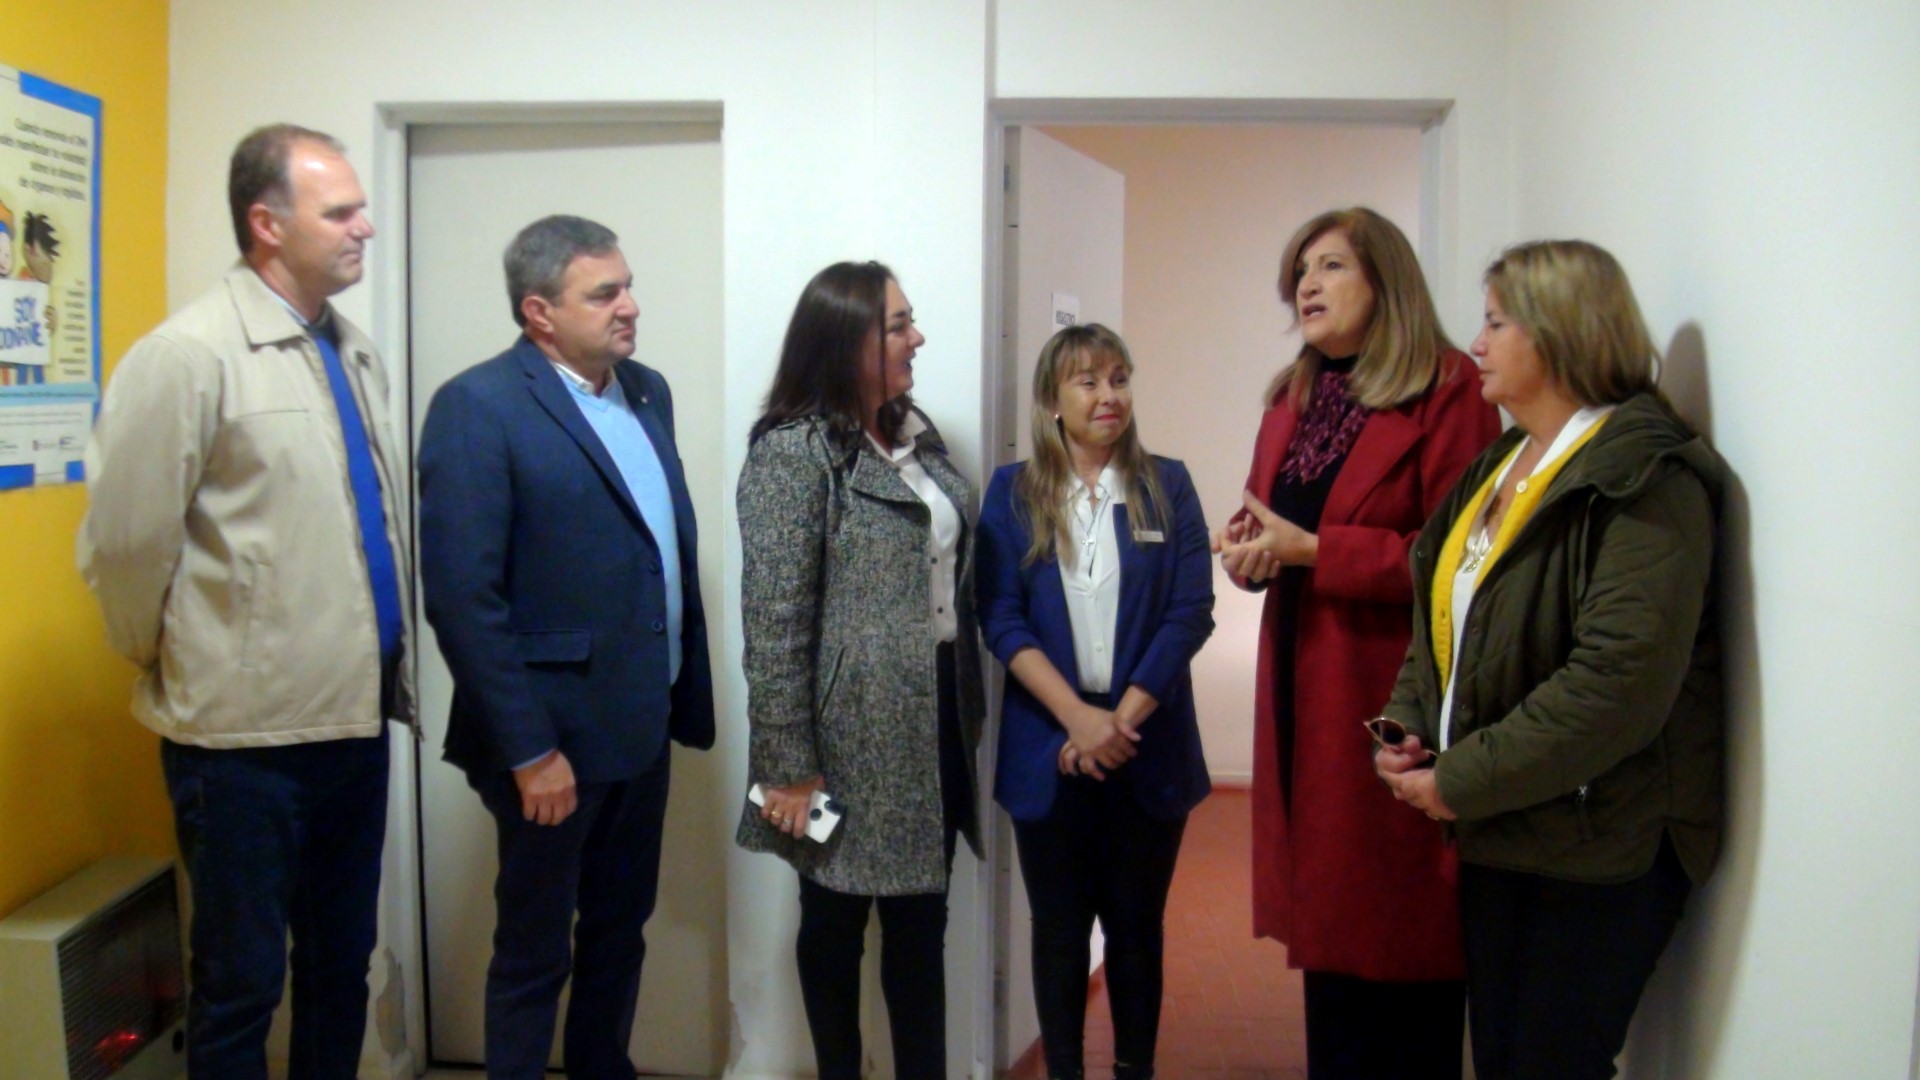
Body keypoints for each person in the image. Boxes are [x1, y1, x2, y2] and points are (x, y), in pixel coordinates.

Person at [77, 124, 409, 1080]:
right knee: (239, 986)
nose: (364, 227)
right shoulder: (188, 355)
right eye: (339, 212)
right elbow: (124, 548)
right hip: (239, 747)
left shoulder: (351, 352)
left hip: (354, 724)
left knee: (342, 969)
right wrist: (180, 658)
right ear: (267, 224)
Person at [1374, 240, 1724, 1080]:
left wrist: (1461, 778)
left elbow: (1617, 686)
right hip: (1507, 821)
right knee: (1501, 1057)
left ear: (1562, 331)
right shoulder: (1503, 461)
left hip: (1600, 839)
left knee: (1549, 1063)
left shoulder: (1645, 477)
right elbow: (1443, 616)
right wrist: (1410, 723)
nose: (1476, 343)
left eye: (1497, 323)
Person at [417, 214, 715, 1080]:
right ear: (539, 312)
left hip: (640, 726)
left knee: (620, 933)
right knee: (534, 951)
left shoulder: (647, 390)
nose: (630, 306)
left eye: (628, 286)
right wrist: (529, 751)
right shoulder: (478, 406)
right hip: (546, 747)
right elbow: (463, 600)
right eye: (604, 293)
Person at [1214, 207, 1500, 1078]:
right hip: (1303, 685)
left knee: (1399, 931)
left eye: (1331, 266)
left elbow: (1460, 559)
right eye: (1300, 271)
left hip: (1390, 695)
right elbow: (1266, 522)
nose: (1307, 284)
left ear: (1386, 281)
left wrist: (1318, 552)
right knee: (1331, 927)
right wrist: (1250, 557)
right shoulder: (1293, 399)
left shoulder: (1448, 388)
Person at [735, 261, 982, 1080]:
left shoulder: (916, 437)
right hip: (837, 737)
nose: (918, 337)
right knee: (833, 924)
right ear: (845, 340)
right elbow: (774, 625)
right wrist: (787, 767)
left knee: (922, 925)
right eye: (899, 324)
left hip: (933, 721)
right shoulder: (793, 454)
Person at [976, 323, 1214, 1080]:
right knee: (1057, 928)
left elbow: (1190, 613)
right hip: (1050, 741)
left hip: (1146, 740)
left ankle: (1134, 1071)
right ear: (1053, 399)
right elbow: (1000, 616)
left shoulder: (1167, 484)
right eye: (1088, 381)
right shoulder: (1013, 492)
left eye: (1119, 378)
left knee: (1137, 928)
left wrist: (1118, 722)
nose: (1109, 396)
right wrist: (1078, 720)